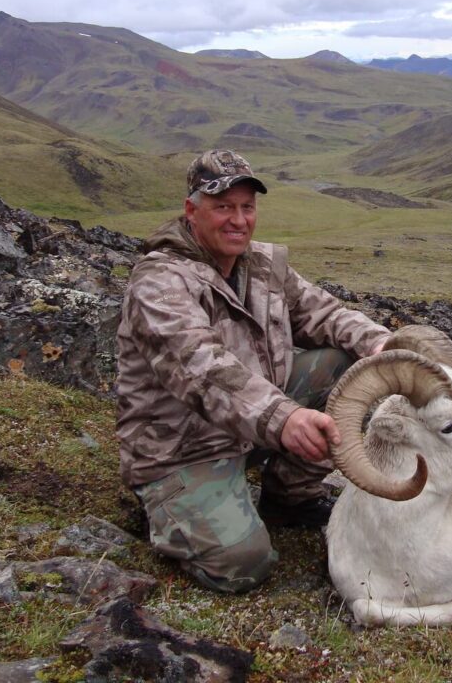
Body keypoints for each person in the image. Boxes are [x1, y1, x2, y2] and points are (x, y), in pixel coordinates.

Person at [115, 148, 391, 594]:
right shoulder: (159, 281)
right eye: (222, 207)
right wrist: (285, 418)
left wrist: (382, 343)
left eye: (247, 207)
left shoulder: (263, 264)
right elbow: (201, 367)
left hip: (256, 424)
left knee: (350, 366)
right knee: (244, 565)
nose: (238, 220)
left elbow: (323, 314)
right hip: (185, 447)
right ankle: (168, 506)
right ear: (192, 210)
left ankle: (288, 499)